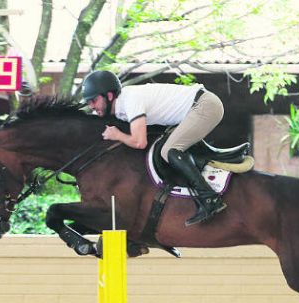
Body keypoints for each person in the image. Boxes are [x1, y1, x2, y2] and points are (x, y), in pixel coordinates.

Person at [81, 70, 227, 226]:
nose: (91, 106)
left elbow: (139, 142)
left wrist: (117, 135)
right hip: (198, 107)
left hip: (205, 106)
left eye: (94, 101)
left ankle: (210, 199)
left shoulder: (130, 100)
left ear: (109, 96)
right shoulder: (120, 107)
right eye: (89, 103)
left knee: (169, 151)